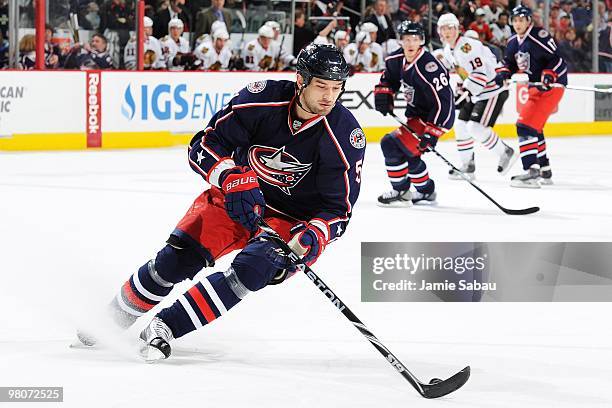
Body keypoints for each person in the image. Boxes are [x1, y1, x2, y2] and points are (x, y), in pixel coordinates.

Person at [77, 44, 366, 362]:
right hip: (235, 195)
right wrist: (230, 177)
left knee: (254, 268)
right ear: (301, 80)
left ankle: (165, 328)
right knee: (175, 261)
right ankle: (112, 319)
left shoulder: (344, 136)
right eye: (321, 86)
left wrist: (315, 234)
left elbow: (339, 209)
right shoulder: (262, 99)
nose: (329, 97)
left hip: (289, 220)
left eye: (336, 88)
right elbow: (203, 143)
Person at [373, 21, 454, 206]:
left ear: (422, 41)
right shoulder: (396, 59)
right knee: (409, 153)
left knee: (390, 144)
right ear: (400, 41)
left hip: (434, 119)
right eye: (406, 39)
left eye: (415, 39)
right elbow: (388, 79)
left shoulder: (429, 67)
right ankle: (426, 191)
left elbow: (445, 101)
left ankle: (401, 190)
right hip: (415, 117)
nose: (410, 44)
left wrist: (433, 132)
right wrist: (384, 94)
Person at [437, 13, 517, 180]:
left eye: (450, 27)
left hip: (493, 90)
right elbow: (461, 71)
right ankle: (468, 165)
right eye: (443, 28)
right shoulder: (448, 50)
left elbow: (480, 72)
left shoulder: (467, 46)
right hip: (478, 93)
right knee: (460, 125)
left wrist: (466, 89)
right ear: (439, 31)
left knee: (475, 128)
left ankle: (505, 152)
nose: (447, 32)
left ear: (457, 28)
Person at [494, 5, 567, 188]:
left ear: (528, 21)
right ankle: (544, 169)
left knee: (524, 126)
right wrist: (504, 73)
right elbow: (509, 63)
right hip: (536, 87)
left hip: (552, 87)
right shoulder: (512, 42)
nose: (518, 24)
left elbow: (557, 59)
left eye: (521, 20)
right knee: (535, 128)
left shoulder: (538, 36)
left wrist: (550, 74)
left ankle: (531, 172)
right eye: (515, 20)